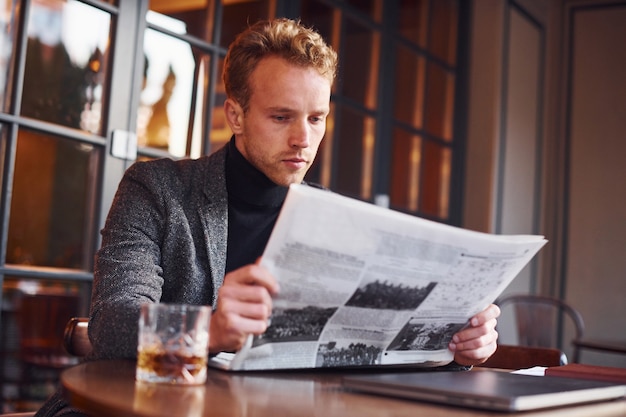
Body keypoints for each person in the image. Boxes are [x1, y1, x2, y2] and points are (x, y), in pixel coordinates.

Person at [36, 17, 500, 417]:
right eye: (282, 117)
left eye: (316, 118)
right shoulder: (156, 189)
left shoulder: (333, 216)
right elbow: (112, 323)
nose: (303, 138)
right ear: (235, 115)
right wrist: (212, 328)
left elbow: (361, 349)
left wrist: (453, 346)